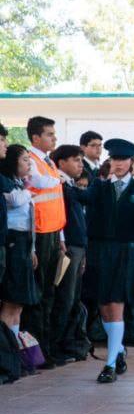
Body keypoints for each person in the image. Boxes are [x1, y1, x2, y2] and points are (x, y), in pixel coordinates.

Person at [82, 139, 134, 383]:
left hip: (128, 253)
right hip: (101, 252)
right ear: (109, 161)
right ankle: (119, 350)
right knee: (104, 306)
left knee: (116, 305)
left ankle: (110, 365)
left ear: (132, 162)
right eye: (115, 159)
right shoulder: (99, 187)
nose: (119, 164)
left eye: (124, 160)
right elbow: (85, 202)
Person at [21, 117, 66, 365]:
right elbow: (38, 183)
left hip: (53, 232)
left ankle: (47, 347)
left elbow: (55, 200)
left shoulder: (48, 162)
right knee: (38, 295)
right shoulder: (32, 160)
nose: (54, 138)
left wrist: (61, 236)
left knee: (50, 292)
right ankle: (37, 351)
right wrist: (60, 178)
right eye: (49, 134)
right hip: (38, 234)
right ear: (36, 137)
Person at [50, 144, 92, 363]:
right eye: (76, 160)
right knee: (64, 298)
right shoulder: (57, 183)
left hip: (78, 246)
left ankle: (70, 343)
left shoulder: (70, 185)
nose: (80, 165)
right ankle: (56, 346)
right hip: (67, 247)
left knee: (74, 298)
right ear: (61, 162)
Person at [0, 146, 39, 365]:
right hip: (13, 241)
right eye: (25, 160)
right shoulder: (7, 182)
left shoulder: (19, 184)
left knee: (19, 303)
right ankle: (6, 353)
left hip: (25, 243)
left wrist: (32, 249)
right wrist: (27, 192)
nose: (29, 164)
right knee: (11, 300)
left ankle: (15, 351)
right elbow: (13, 201)